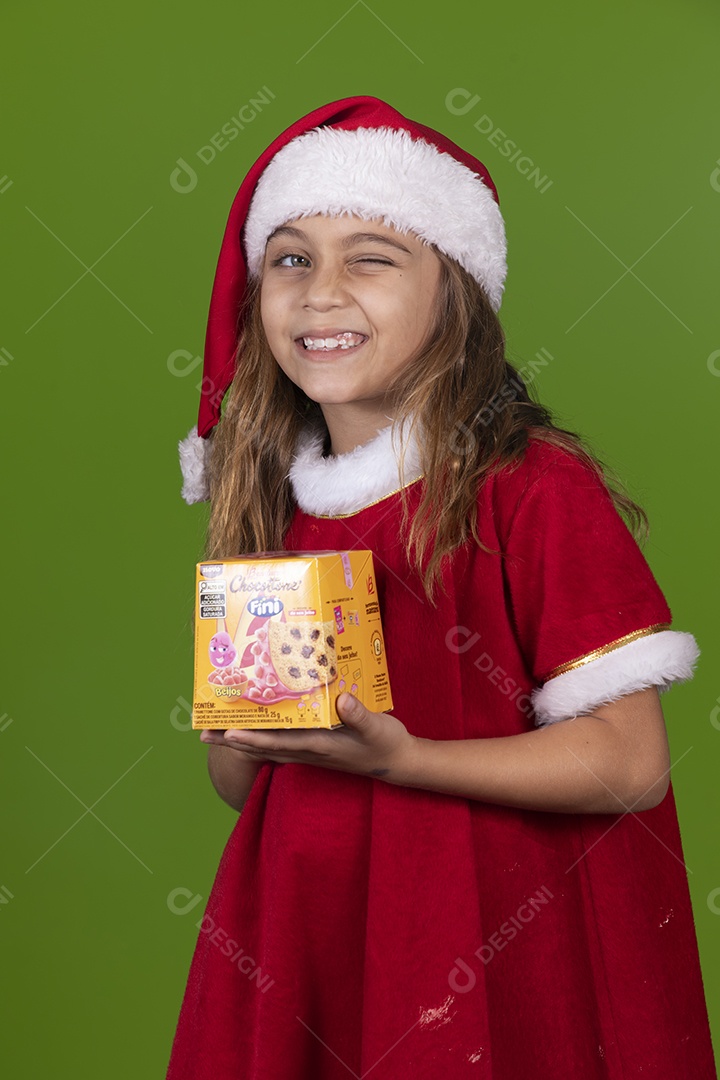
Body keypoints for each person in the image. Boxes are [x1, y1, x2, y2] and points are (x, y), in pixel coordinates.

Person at [167, 96, 716, 1078]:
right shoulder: (271, 503)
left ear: (455, 292)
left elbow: (629, 763)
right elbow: (241, 787)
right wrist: (243, 731)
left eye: (371, 258)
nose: (321, 292)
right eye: (290, 258)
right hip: (304, 934)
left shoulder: (532, 489)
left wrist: (399, 759)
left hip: (485, 943)